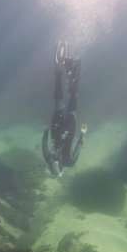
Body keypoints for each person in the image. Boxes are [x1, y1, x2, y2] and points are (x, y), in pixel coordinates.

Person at [42, 41, 87, 177]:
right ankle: (60, 72)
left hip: (68, 129)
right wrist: (45, 131)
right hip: (57, 128)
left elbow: (79, 147)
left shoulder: (69, 163)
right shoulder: (48, 158)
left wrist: (83, 133)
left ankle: (71, 69)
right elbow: (44, 143)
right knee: (59, 100)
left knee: (72, 97)